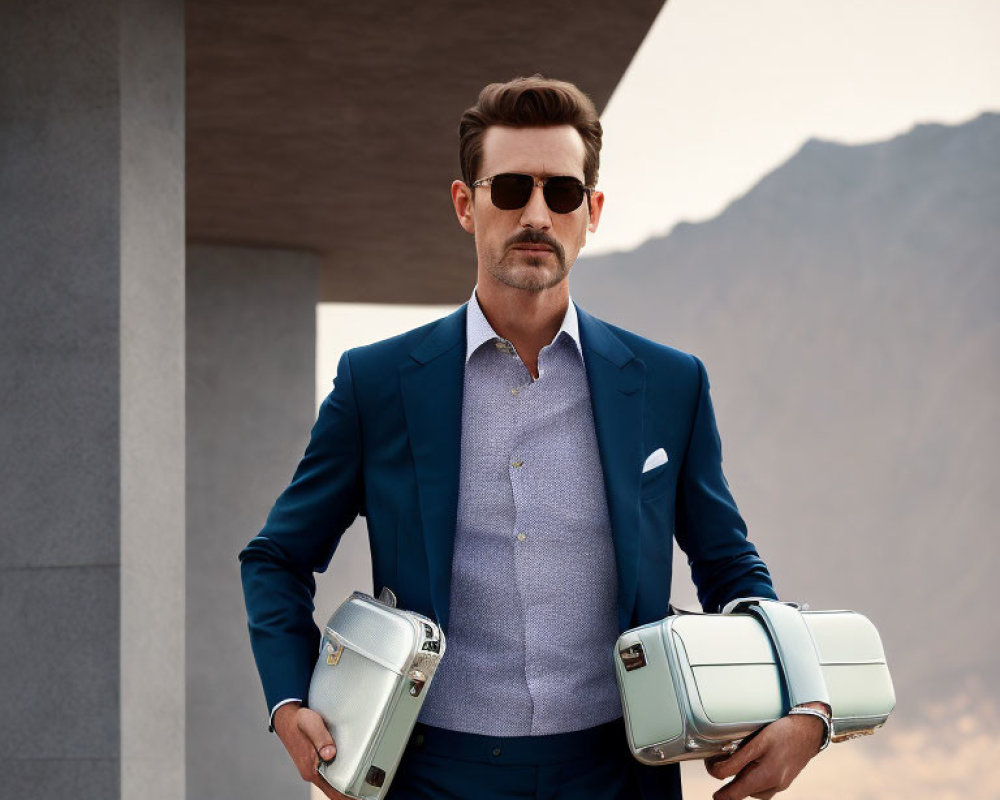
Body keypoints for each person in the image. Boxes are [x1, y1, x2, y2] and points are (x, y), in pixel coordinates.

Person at [240, 75, 829, 800]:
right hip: (431, 776)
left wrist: (809, 706)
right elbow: (276, 556)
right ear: (467, 204)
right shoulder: (379, 383)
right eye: (511, 188)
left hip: (621, 774)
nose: (537, 214)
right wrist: (289, 701)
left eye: (563, 193)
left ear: (593, 211)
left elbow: (730, 566)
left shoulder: (669, 385)